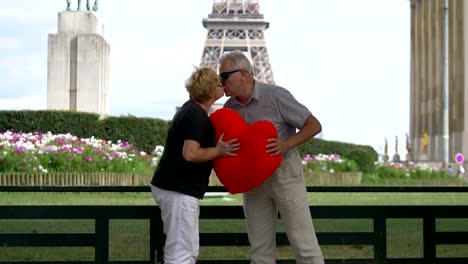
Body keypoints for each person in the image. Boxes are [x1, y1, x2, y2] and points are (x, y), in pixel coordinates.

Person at [219, 50, 325, 264]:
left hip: (284, 173)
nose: (221, 83)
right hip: (252, 180)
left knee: (303, 243)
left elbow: (314, 125)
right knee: (259, 248)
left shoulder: (276, 95)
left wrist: (285, 144)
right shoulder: (229, 107)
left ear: (243, 74)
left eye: (224, 76)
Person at [150, 67, 240, 264]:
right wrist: (219, 150)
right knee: (182, 252)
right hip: (179, 191)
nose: (222, 85)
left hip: (172, 187)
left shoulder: (189, 110)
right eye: (218, 83)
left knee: (182, 247)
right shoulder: (197, 116)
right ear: (209, 91)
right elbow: (190, 153)